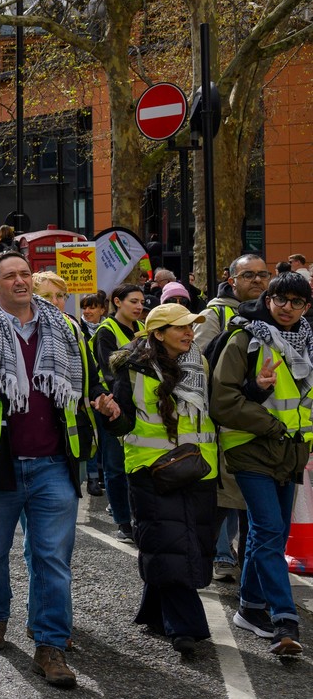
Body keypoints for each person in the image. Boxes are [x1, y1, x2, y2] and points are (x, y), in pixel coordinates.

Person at [0, 251, 107, 689]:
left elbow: (92, 383)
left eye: (25, 274)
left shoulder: (67, 328)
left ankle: (50, 644)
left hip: (55, 462)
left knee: (52, 558)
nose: (20, 281)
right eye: (10, 276)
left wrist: (104, 402)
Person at [103, 303, 218, 656]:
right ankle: (186, 628)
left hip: (200, 468)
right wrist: (112, 415)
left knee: (186, 544)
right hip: (152, 470)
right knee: (169, 542)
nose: (188, 332)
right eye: (179, 327)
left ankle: (154, 613)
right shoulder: (131, 369)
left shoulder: (199, 362)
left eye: (190, 326)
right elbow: (121, 425)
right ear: (157, 334)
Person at [210, 272, 312, 655]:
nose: (287, 308)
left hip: (290, 452)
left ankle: (250, 608)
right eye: (280, 299)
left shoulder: (309, 343)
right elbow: (223, 402)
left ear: (306, 307)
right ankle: (285, 621)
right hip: (251, 448)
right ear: (267, 299)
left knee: (267, 533)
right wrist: (270, 424)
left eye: (296, 302)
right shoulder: (243, 338)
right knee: (269, 531)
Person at [197, 255, 269, 582]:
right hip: (226, 421)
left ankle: (244, 563)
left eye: (262, 275)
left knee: (250, 502)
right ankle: (219, 556)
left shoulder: (275, 316)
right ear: (232, 278)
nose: (256, 281)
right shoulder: (217, 313)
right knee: (224, 498)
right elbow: (198, 362)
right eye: (249, 275)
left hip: (263, 425)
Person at [93, 282, 145, 542]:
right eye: (133, 301)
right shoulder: (106, 330)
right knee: (115, 467)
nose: (139, 306)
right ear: (117, 302)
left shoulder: (143, 329)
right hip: (114, 407)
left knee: (136, 464)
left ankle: (138, 516)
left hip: (141, 406)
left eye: (140, 302)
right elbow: (108, 371)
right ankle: (123, 521)